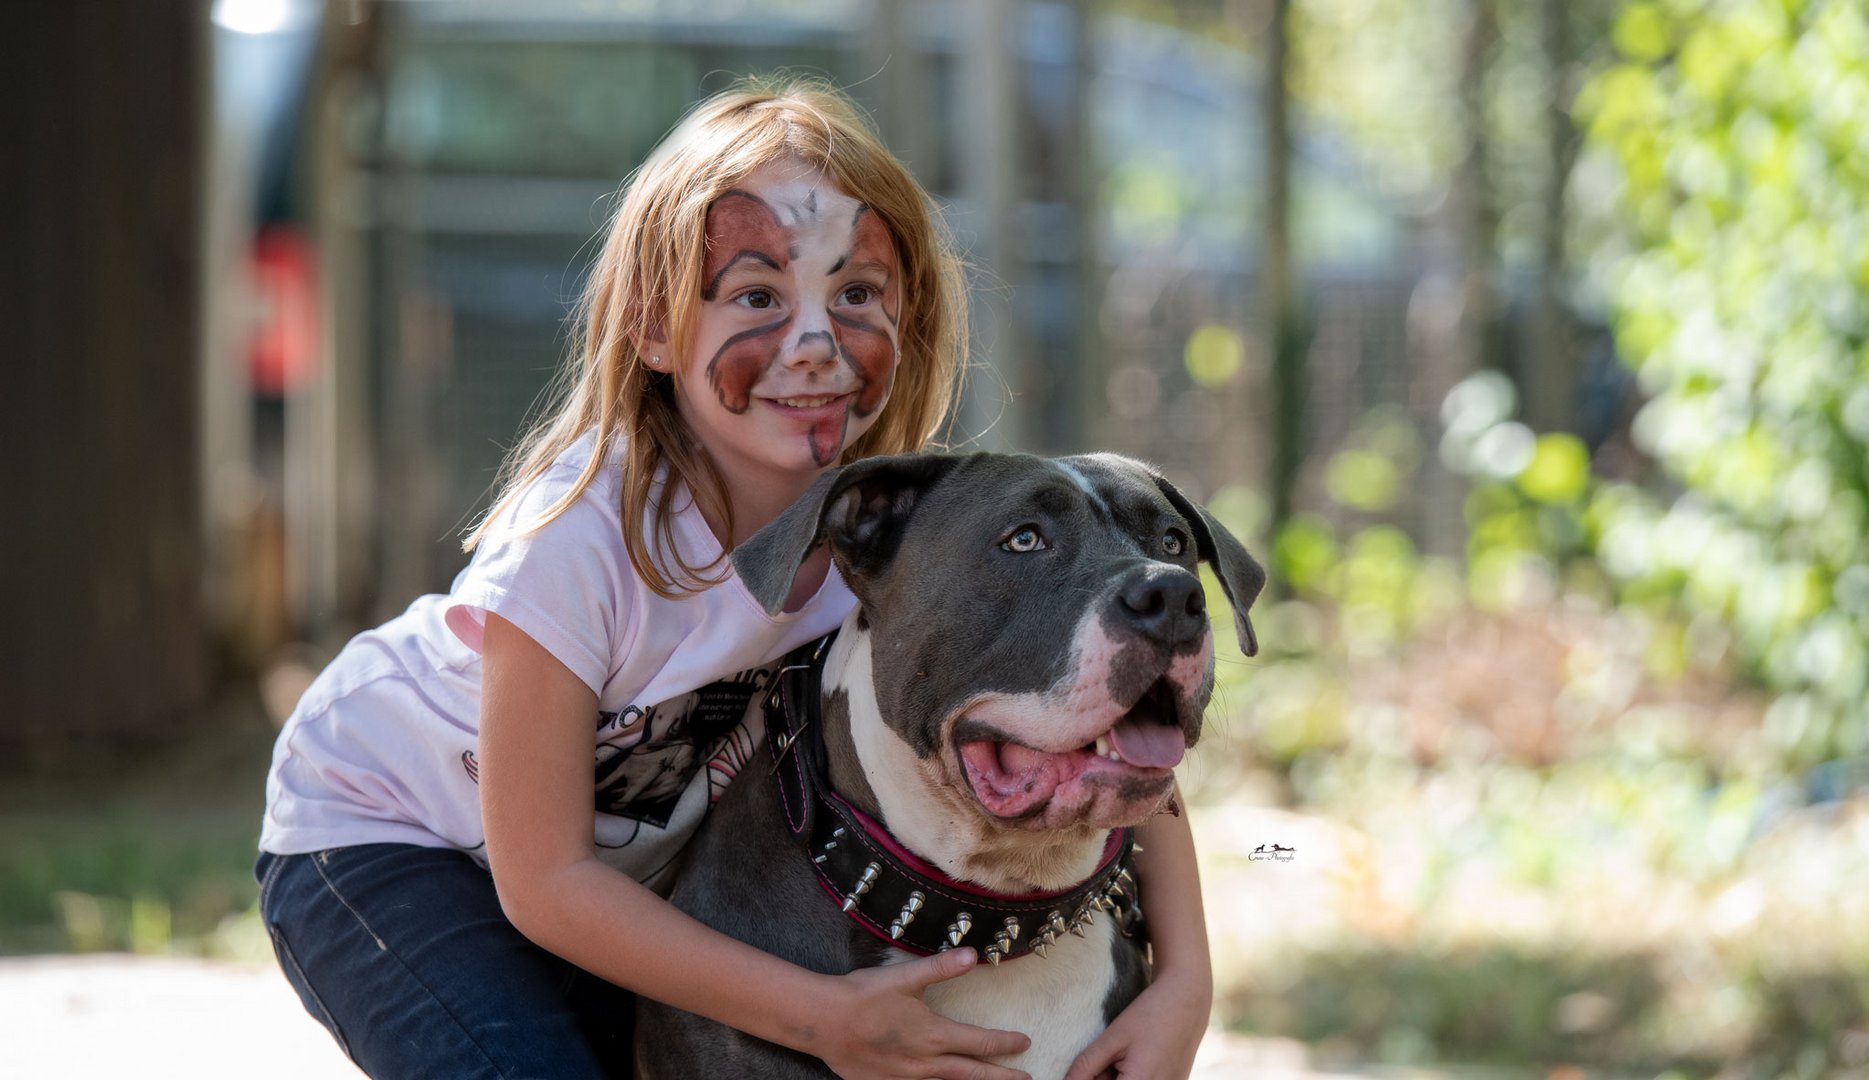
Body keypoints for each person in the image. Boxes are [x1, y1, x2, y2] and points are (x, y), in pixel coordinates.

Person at [256, 76, 1213, 1080]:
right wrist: (820, 1018)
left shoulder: (902, 536)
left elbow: (1116, 727)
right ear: (658, 329)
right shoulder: (575, 547)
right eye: (758, 296)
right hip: (384, 840)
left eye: (855, 295)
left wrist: (1184, 980)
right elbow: (547, 884)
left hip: (604, 871)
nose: (816, 345)